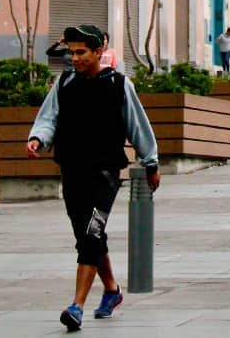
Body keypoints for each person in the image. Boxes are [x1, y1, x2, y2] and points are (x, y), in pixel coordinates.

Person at [26, 24, 160, 332]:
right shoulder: (65, 83)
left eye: (81, 52)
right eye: (72, 52)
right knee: (88, 237)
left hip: (105, 174)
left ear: (98, 52)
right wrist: (38, 139)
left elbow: (137, 125)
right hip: (72, 170)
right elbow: (49, 118)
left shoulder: (118, 84)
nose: (75, 58)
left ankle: (77, 307)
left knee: (90, 235)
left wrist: (150, 162)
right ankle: (112, 290)